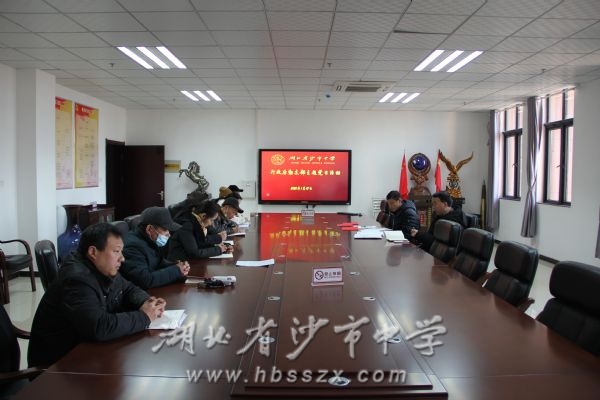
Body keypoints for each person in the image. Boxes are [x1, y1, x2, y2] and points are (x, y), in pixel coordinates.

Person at [27, 223, 165, 367]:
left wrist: (146, 301)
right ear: (93, 252)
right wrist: (144, 317)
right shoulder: (77, 279)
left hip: (83, 351)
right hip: (57, 366)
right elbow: (99, 326)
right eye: (116, 251)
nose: (122, 258)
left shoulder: (101, 267)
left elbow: (127, 288)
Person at [120, 206, 190, 289]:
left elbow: (156, 263)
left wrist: (176, 265)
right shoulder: (132, 247)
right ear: (149, 229)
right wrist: (176, 270)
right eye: (165, 229)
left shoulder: (148, 240)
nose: (168, 234)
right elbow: (145, 280)